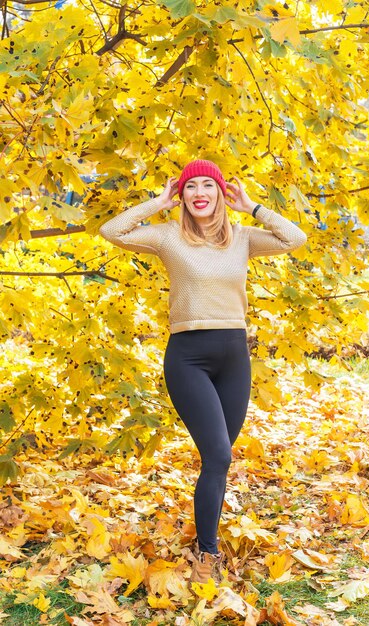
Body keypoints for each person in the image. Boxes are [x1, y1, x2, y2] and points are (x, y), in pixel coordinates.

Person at [99, 159, 307, 585]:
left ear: (219, 193)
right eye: (190, 186)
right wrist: (156, 202)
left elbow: (295, 238)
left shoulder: (244, 238)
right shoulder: (167, 237)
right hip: (188, 358)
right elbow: (111, 231)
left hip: (234, 356)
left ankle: (205, 539)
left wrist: (253, 208)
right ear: (183, 195)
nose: (199, 193)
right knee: (218, 454)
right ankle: (207, 554)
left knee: (218, 461)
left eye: (207, 186)